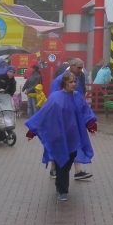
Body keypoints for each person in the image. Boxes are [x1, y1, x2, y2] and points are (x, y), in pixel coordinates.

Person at [25, 72, 97, 201]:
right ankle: (62, 190)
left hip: (73, 136)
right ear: (64, 83)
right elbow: (44, 113)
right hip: (58, 135)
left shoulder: (78, 97)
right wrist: (33, 130)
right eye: (70, 82)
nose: (73, 84)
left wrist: (91, 124)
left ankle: (60, 184)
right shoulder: (55, 97)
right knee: (61, 161)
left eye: (75, 82)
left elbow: (85, 111)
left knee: (70, 159)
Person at [48, 59, 92, 181]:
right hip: (61, 118)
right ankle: (54, 168)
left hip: (74, 117)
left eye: (82, 68)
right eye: (78, 68)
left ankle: (77, 170)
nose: (80, 70)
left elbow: (80, 95)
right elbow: (53, 100)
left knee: (75, 142)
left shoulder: (79, 77)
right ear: (71, 66)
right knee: (58, 143)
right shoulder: (59, 80)